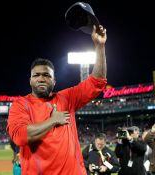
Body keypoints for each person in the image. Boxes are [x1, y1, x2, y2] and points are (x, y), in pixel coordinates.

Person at [7, 25, 107, 174]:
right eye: (36, 75)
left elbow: (97, 82)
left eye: (46, 75)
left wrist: (99, 46)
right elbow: (20, 136)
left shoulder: (67, 98)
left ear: (54, 81)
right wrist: (53, 120)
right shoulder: (20, 105)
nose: (41, 78)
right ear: (30, 80)